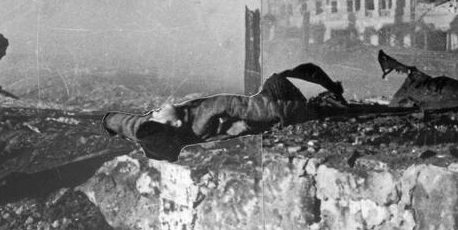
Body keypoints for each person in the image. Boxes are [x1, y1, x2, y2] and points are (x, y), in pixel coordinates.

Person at [103, 63, 347, 161]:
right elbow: (249, 107)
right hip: (274, 104)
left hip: (264, 111)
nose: (152, 112)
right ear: (176, 126)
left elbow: (131, 125)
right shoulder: (206, 115)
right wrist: (311, 112)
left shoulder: (153, 131)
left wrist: (108, 121)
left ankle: (330, 93)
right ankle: (332, 94)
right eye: (156, 115)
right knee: (284, 77)